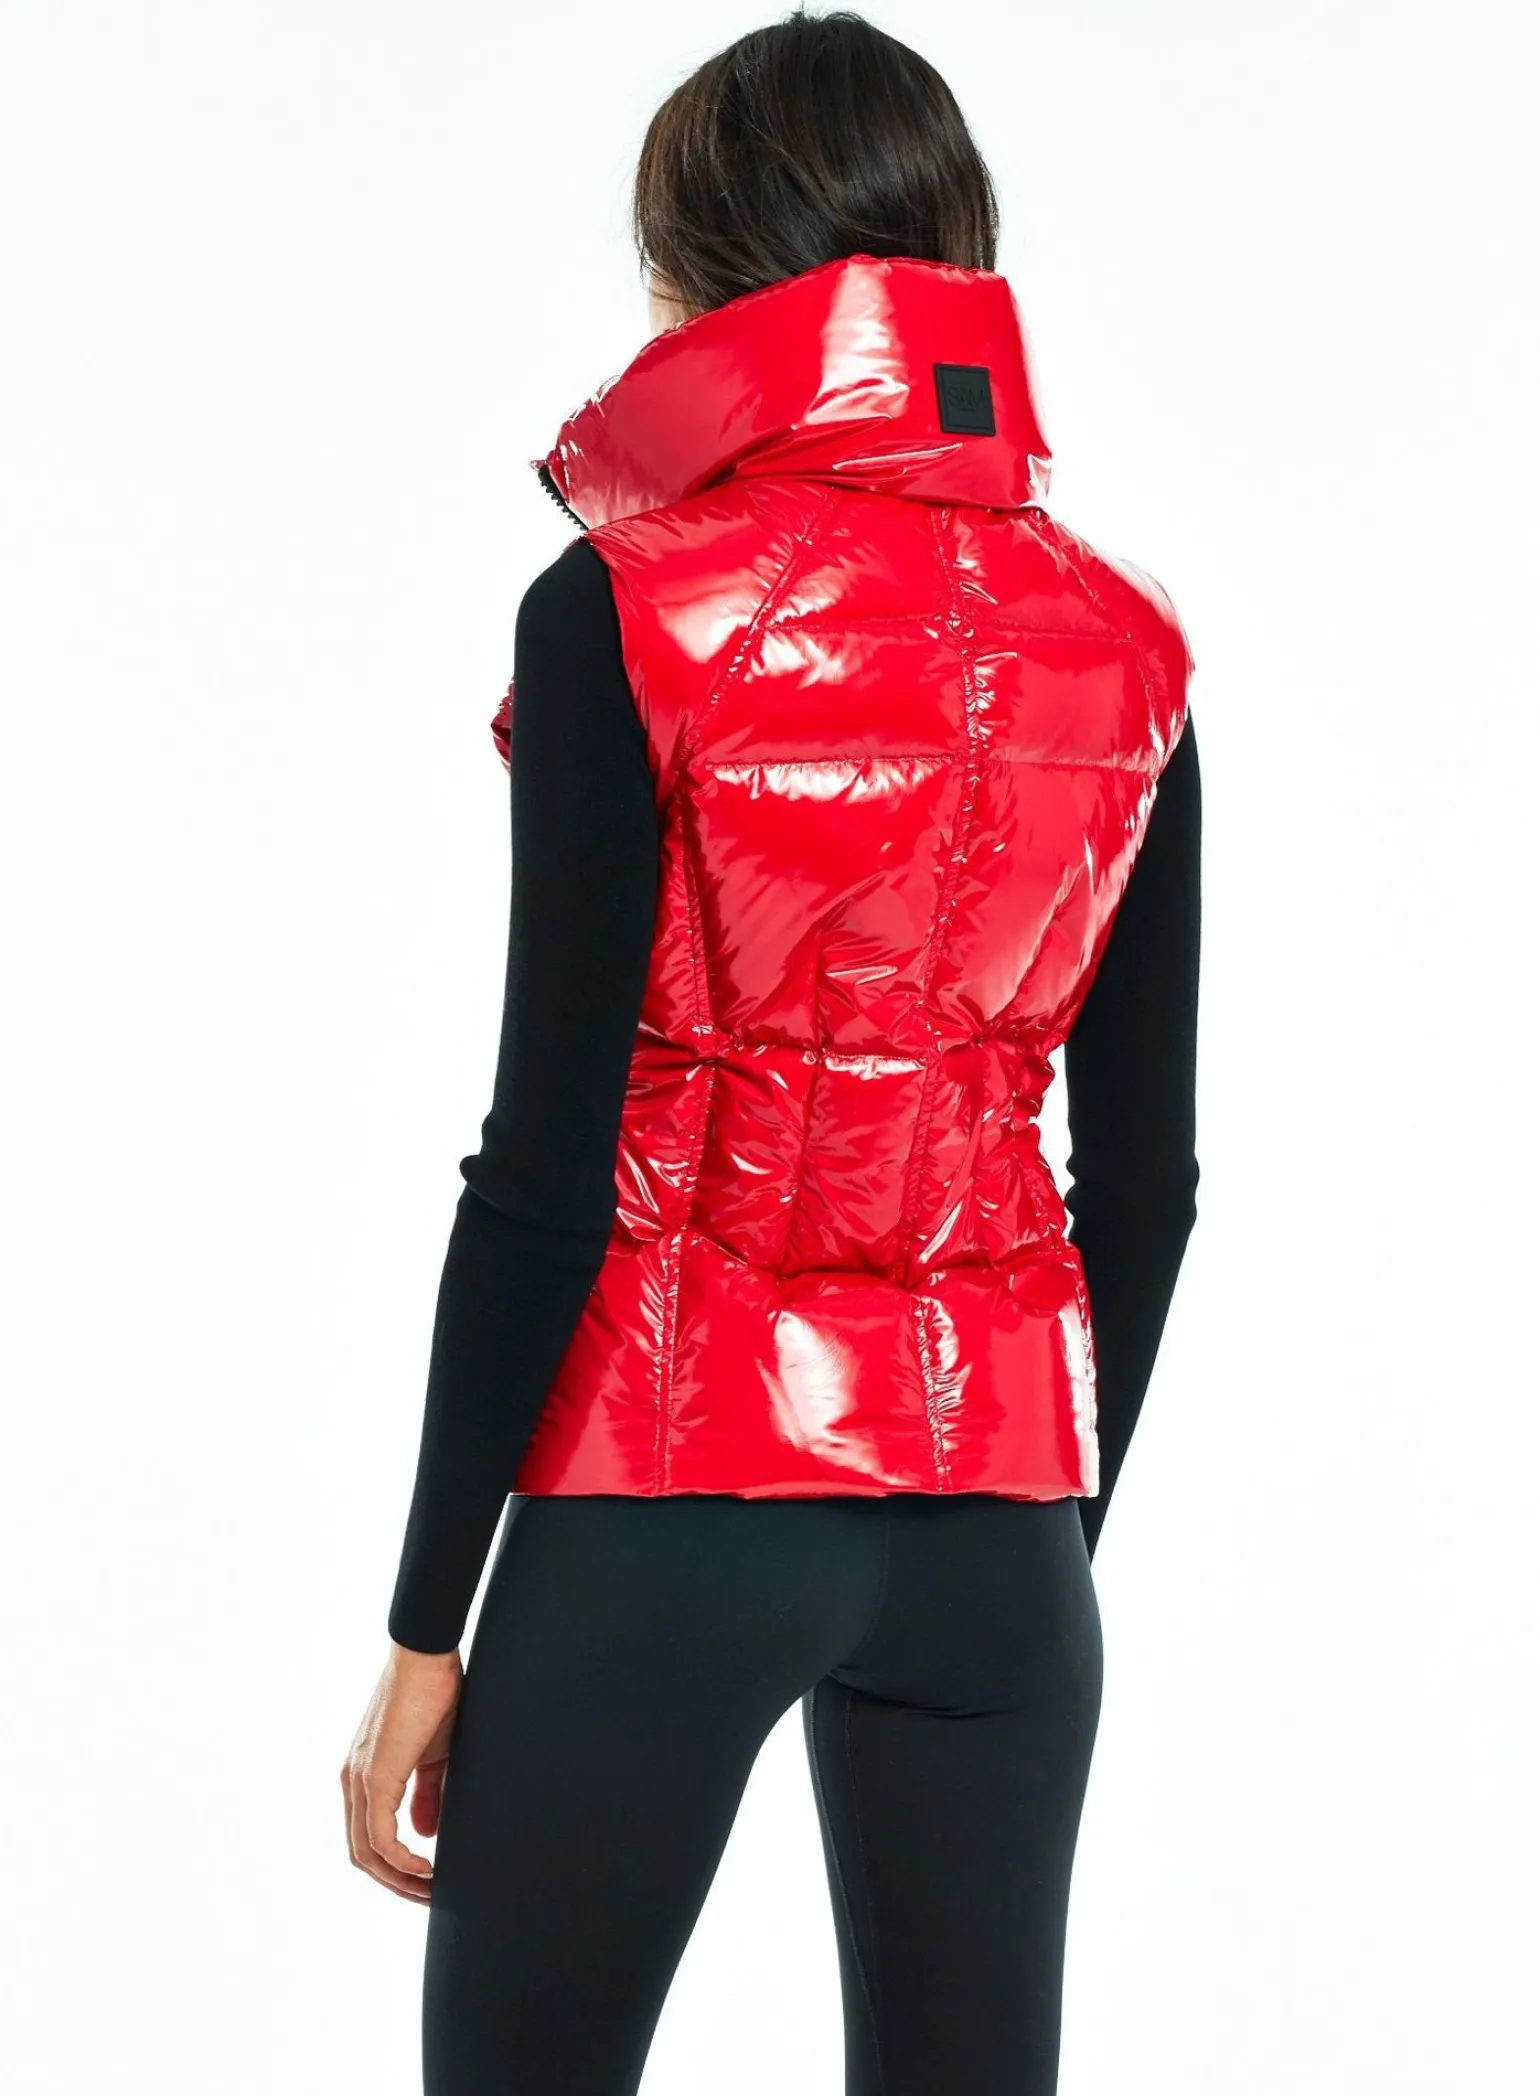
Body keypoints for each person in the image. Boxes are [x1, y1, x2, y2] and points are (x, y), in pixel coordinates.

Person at [341, 12, 1202, 2093]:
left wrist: (427, 1622)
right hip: (1000, 1542)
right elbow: (1146, 1183)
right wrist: (1025, 1537)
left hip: (663, 1503)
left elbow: (542, 1172)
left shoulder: (621, 611)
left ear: (694, 282)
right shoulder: (1129, 642)